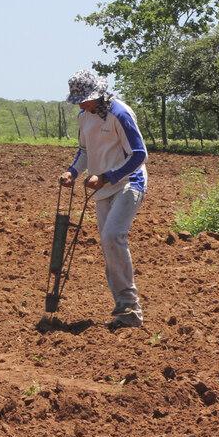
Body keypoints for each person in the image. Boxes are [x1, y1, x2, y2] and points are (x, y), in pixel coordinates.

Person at [59, 69, 148, 328]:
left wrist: (108, 176)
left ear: (99, 95)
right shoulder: (84, 118)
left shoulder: (120, 114)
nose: (82, 104)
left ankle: (130, 306)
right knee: (108, 244)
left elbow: (139, 154)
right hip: (103, 187)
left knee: (113, 236)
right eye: (79, 101)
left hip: (129, 181)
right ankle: (123, 307)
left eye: (85, 99)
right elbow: (85, 151)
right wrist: (72, 172)